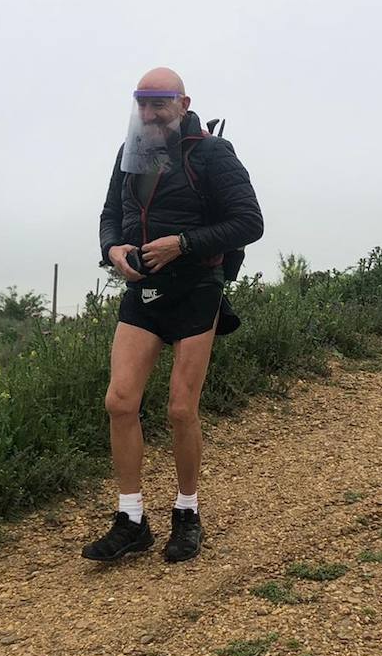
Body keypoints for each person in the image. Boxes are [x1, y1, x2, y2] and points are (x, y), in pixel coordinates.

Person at [83, 67, 263, 564]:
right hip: (143, 293)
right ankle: (131, 519)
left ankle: (187, 513)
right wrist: (113, 249)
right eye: (142, 101)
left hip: (196, 292)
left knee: (181, 410)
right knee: (120, 402)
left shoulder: (211, 153)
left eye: (159, 102)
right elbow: (109, 215)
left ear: (183, 104)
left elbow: (250, 222)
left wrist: (182, 244)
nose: (148, 112)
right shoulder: (130, 152)